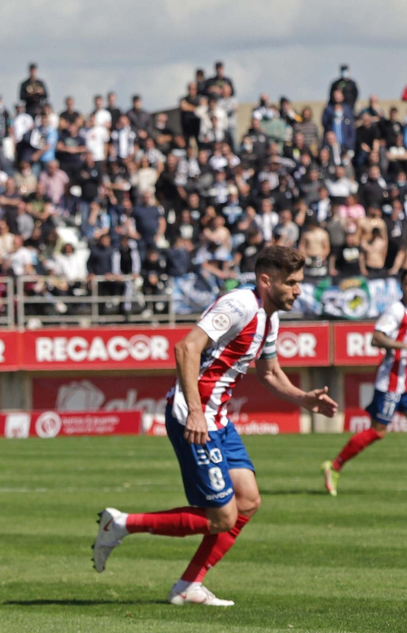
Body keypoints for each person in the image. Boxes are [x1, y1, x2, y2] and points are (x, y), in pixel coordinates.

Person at [92, 246, 339, 606]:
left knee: (248, 501)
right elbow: (186, 349)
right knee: (223, 517)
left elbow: (268, 373)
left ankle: (189, 585)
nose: (298, 291)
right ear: (266, 280)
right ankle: (121, 524)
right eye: (292, 283)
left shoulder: (270, 317)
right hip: (195, 417)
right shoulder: (239, 304)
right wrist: (195, 411)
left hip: (218, 419)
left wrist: (303, 398)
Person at [324, 270, 407, 494]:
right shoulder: (395, 310)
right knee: (378, 431)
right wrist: (405, 347)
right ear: (401, 287)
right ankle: (334, 466)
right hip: (390, 381)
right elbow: (376, 338)